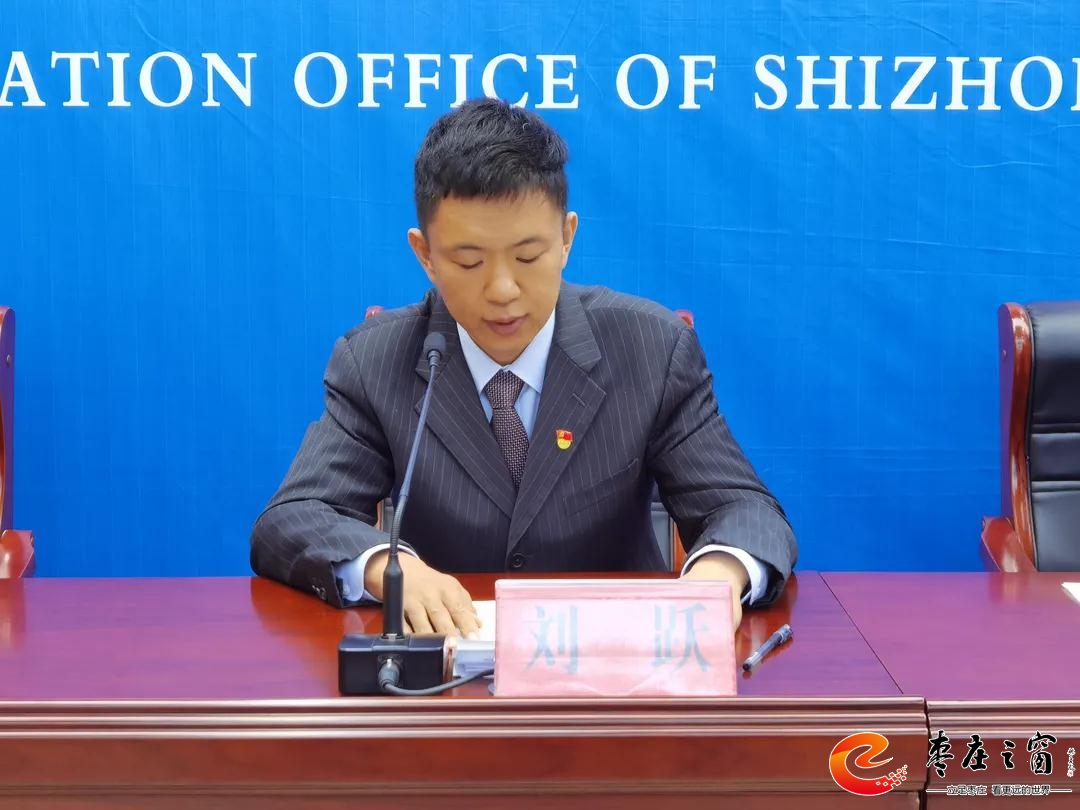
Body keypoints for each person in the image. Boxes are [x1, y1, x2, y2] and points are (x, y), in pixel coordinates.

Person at [251, 98, 796, 637]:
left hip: (616, 664)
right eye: (469, 261)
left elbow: (744, 508)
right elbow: (294, 517)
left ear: (567, 238)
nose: (503, 290)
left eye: (528, 257)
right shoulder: (376, 360)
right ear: (426, 255)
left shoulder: (651, 349)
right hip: (446, 664)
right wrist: (387, 568)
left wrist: (718, 577)